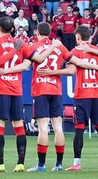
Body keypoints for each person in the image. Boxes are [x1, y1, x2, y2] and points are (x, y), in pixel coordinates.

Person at [0, 19, 31, 171]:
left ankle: (0, 164)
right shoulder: (20, 43)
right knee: (19, 126)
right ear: (12, 29)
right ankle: (21, 163)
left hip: (1, 90)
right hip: (16, 90)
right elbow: (33, 58)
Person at [68, 25, 98, 171]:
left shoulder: (75, 51)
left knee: (79, 130)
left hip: (82, 95)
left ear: (78, 37)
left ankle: (76, 164)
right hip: (96, 94)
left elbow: (71, 69)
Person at [27, 21, 69, 171]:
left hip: (40, 88)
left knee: (43, 128)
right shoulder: (59, 46)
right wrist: (55, 72)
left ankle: (41, 165)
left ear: (37, 33)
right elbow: (72, 67)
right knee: (58, 127)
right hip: (55, 89)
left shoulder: (34, 46)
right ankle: (58, 164)